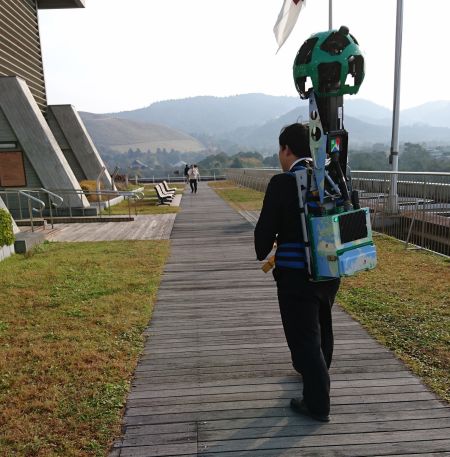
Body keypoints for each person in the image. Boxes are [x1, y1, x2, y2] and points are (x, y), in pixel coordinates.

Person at [254, 123, 340, 422]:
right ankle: (318, 378)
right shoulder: (330, 177)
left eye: (280, 150)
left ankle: (317, 404)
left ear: (286, 149)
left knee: (304, 339)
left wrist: (268, 242)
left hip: (295, 274)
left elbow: (262, 238)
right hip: (330, 268)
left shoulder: (282, 183)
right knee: (322, 325)